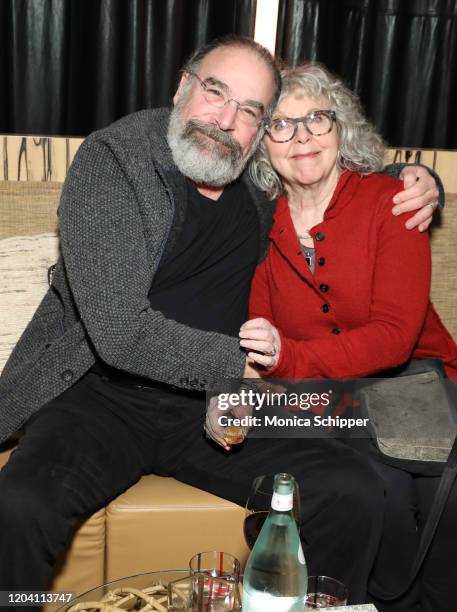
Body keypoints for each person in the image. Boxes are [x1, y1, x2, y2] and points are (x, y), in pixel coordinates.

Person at [0, 35, 441, 602]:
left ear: (258, 131)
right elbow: (117, 331)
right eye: (216, 92)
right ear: (184, 87)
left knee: (351, 489)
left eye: (250, 111)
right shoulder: (116, 160)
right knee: (21, 504)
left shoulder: (256, 185)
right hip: (102, 399)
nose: (225, 119)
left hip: (215, 407)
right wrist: (237, 372)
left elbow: (326, 164)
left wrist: (420, 179)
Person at [236, 63, 457, 611]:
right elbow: (260, 339)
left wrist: (292, 359)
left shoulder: (391, 201)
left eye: (317, 119)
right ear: (263, 146)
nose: (303, 136)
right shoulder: (256, 227)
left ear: (342, 129)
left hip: (414, 382)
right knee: (371, 484)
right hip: (325, 399)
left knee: (439, 489)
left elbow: (394, 338)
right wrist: (277, 371)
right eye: (282, 126)